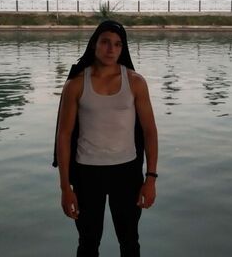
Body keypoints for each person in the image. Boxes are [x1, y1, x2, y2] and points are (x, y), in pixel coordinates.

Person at [53, 20, 158, 257]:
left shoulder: (135, 82)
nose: (111, 49)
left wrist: (150, 178)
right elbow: (64, 136)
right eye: (105, 42)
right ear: (94, 44)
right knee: (88, 243)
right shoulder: (75, 84)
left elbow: (150, 131)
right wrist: (65, 187)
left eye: (118, 44)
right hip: (87, 173)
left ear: (123, 48)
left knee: (129, 241)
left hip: (127, 172)